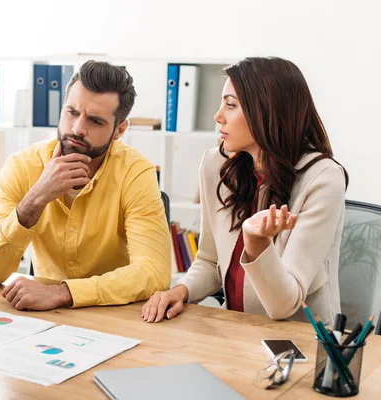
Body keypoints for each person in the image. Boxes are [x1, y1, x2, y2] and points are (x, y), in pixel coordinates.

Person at [142, 57, 348, 325]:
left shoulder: (322, 179)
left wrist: (256, 243)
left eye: (230, 105)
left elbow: (284, 304)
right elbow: (209, 260)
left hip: (301, 340)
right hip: (236, 331)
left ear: (268, 112)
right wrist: (182, 290)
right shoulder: (217, 165)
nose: (218, 116)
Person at [0, 60, 171, 310]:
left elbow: (154, 273)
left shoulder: (135, 172)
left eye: (96, 121)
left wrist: (63, 292)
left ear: (119, 129)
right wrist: (35, 199)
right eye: (72, 112)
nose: (78, 129)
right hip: (43, 317)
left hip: (114, 315)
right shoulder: (22, 167)